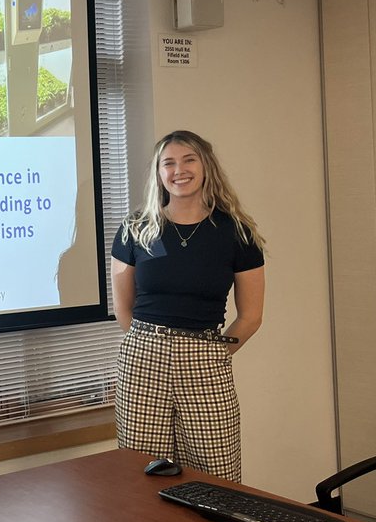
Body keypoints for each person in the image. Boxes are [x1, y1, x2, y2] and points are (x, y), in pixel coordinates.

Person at [110, 130, 265, 481]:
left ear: (206, 166)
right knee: (141, 474)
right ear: (159, 174)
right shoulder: (136, 229)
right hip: (143, 359)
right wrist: (155, 345)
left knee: (217, 474)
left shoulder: (237, 232)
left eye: (188, 160)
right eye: (169, 163)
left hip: (205, 358)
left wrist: (211, 354)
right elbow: (124, 310)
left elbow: (251, 316)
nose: (179, 170)